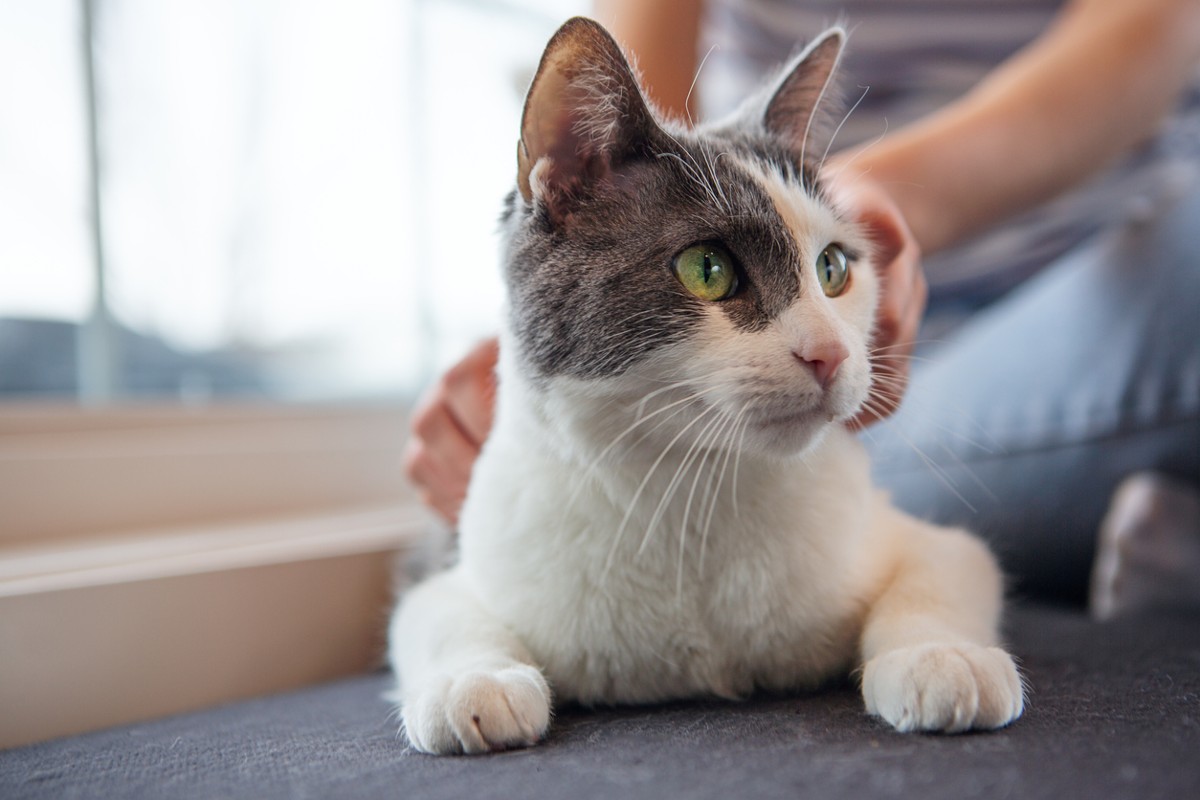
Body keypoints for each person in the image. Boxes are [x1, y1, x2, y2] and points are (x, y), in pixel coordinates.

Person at [404, 0, 1200, 615]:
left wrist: (869, 204)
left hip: (1118, 280)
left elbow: (1153, 29)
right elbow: (608, 179)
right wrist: (539, 348)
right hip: (888, 398)